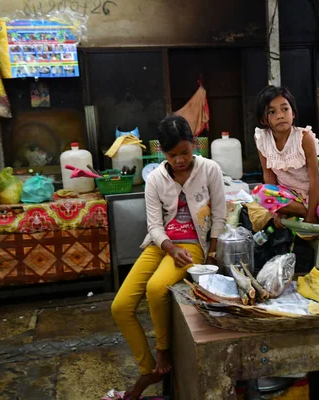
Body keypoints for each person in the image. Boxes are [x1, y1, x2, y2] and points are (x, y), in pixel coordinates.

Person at [111, 115, 226, 400]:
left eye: (186, 152)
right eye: (173, 155)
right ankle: (148, 368)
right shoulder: (155, 179)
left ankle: (162, 351)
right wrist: (170, 249)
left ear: (194, 145)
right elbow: (154, 225)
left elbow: (220, 216)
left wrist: (211, 253)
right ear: (162, 152)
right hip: (161, 245)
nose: (181, 160)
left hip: (194, 245)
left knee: (156, 288)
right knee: (120, 307)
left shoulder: (210, 169)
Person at [252, 85, 319, 228]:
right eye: (272, 112)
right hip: (290, 196)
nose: (280, 115)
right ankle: (315, 215)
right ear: (263, 119)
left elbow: (314, 179)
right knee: (258, 193)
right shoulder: (261, 139)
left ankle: (315, 213)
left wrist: (311, 217)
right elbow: (269, 176)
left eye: (285, 109)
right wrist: (278, 213)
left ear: (293, 113)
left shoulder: (303, 138)